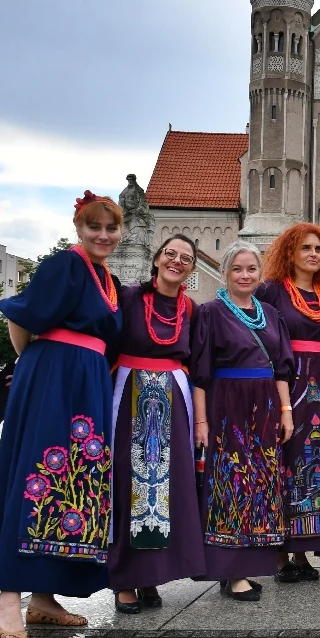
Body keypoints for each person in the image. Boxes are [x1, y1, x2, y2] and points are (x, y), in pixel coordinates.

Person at [0, 191, 124, 638]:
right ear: (78, 228)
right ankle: (7, 598)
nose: (103, 235)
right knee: (35, 477)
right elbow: (20, 315)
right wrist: (32, 366)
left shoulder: (106, 278)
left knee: (75, 481)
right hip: (56, 377)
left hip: (87, 382)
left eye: (111, 228)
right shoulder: (65, 264)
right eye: (94, 226)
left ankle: (43, 597)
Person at [190, 241, 294, 602]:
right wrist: (201, 421)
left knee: (262, 484)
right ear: (224, 273)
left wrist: (286, 411)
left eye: (251, 269)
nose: (245, 275)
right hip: (226, 405)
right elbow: (200, 374)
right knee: (231, 483)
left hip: (265, 406)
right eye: (237, 269)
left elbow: (281, 368)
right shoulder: (210, 312)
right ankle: (232, 573)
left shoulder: (270, 313)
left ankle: (247, 567)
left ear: (260, 274)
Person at [109, 235, 206, 614]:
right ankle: (124, 579)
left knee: (165, 490)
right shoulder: (129, 297)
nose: (176, 261)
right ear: (156, 259)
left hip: (173, 400)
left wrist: (200, 419)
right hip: (130, 395)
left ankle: (151, 576)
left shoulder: (191, 309)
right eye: (170, 254)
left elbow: (198, 363)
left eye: (186, 258)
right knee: (128, 483)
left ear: (192, 268)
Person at [258, 224, 320, 583]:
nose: (313, 254)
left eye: (319, 249)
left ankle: (302, 551)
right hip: (287, 382)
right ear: (289, 252)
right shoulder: (271, 291)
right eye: (306, 248)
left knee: (318, 464)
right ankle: (280, 555)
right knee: (287, 461)